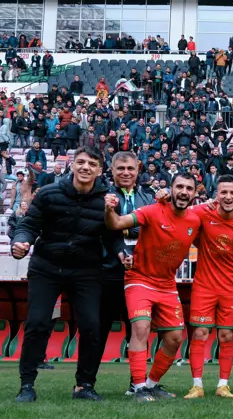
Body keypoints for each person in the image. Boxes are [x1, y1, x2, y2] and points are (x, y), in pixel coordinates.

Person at [11, 147, 128, 403]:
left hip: (86, 271)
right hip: (46, 268)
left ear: (99, 170)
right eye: (81, 162)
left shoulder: (105, 202)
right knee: (38, 323)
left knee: (90, 326)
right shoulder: (49, 194)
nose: (86, 167)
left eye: (92, 164)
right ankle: (27, 385)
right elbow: (28, 225)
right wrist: (21, 242)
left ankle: (84, 385)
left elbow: (112, 236)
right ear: (73, 165)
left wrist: (121, 252)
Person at [104, 173, 201, 403]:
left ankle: (151, 384)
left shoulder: (195, 220)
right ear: (171, 188)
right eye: (179, 187)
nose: (184, 192)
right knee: (141, 328)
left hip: (167, 284)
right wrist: (109, 210)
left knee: (175, 338)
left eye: (189, 188)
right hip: (139, 278)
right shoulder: (152, 210)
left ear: (195, 193)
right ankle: (137, 387)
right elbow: (116, 224)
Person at [184, 175, 233, 399]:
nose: (228, 197)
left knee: (226, 336)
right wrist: (203, 203)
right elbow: (182, 211)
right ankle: (197, 385)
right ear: (216, 195)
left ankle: (223, 385)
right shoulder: (203, 213)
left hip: (230, 286)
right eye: (223, 192)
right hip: (204, 285)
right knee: (200, 333)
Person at [101, 151, 155, 394]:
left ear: (138, 169)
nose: (125, 172)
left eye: (130, 168)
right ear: (112, 170)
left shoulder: (149, 197)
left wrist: (124, 230)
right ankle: (85, 384)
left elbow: (151, 230)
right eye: (120, 168)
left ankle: (138, 383)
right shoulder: (103, 195)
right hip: (108, 270)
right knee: (98, 329)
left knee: (138, 329)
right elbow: (105, 231)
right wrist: (128, 234)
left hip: (142, 272)